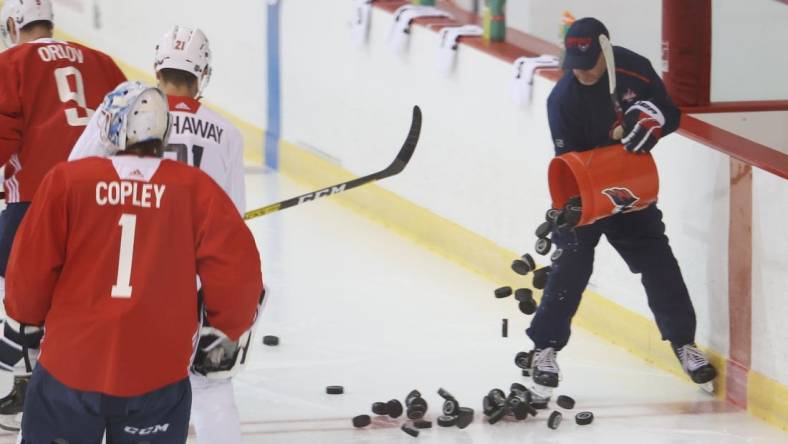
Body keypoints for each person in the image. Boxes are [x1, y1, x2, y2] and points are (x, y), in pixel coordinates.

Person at [3, 81, 263, 443]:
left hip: (70, 367)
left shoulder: (66, 181)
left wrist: (26, 320)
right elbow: (239, 274)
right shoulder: (196, 189)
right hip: (157, 376)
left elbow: (27, 272)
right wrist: (223, 328)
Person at [69, 26, 249, 444]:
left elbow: (73, 173)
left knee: (104, 383)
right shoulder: (228, 133)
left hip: (119, 274)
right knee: (210, 388)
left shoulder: (121, 111)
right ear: (202, 73)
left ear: (157, 67)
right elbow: (233, 224)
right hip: (190, 283)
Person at [524, 17, 716, 397]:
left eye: (591, 62)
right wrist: (577, 207)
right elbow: (568, 163)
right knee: (571, 266)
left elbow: (671, 114)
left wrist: (655, 121)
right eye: (575, 64)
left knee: (658, 262)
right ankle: (543, 348)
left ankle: (684, 343)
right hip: (585, 190)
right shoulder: (561, 100)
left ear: (607, 52)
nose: (583, 71)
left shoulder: (636, 69)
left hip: (629, 186)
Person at [0, 0, 127, 429]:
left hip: (34, 199)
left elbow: (3, 131)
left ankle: (23, 382)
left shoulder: (11, 61)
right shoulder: (102, 61)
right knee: (84, 292)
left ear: (14, 25)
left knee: (18, 288)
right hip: (102, 200)